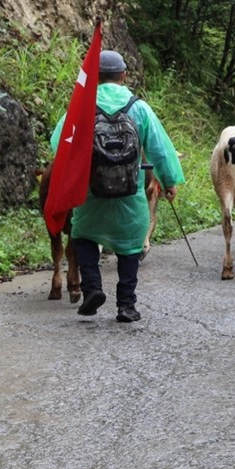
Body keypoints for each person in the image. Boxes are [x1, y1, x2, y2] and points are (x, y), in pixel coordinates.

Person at [50, 50, 185, 323]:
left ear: (95, 78)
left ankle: (92, 289)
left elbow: (58, 144)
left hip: (92, 194)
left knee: (83, 235)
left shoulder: (82, 107)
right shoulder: (139, 108)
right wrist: (169, 181)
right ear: (123, 75)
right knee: (131, 246)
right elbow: (159, 150)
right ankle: (126, 305)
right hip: (131, 195)